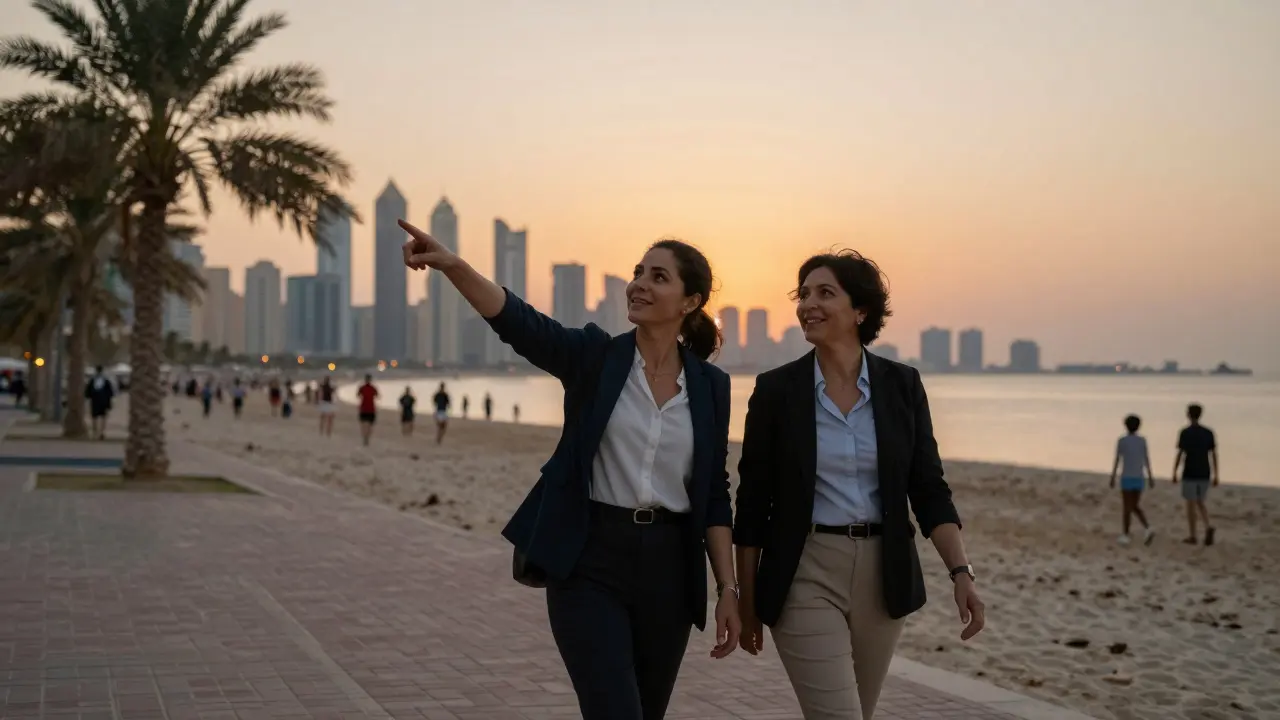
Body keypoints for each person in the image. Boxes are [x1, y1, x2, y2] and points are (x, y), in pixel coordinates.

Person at [401, 219, 739, 720]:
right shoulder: (595, 357)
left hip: (670, 568)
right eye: (638, 271)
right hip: (590, 561)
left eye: (659, 277)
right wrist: (452, 264)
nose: (640, 283)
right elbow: (518, 321)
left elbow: (713, 494)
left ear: (690, 302)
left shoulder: (711, 386)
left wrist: (726, 589)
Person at [734, 251, 985, 720]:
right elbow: (751, 507)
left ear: (861, 311)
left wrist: (961, 572)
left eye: (825, 293)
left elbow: (928, 488)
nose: (809, 303)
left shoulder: (901, 385)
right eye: (803, 293)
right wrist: (746, 601)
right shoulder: (775, 391)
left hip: (883, 573)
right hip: (802, 571)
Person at [1173, 403, 1218, 546]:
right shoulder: (1208, 432)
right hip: (1205, 471)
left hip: (1190, 471)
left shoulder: (1185, 432)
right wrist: (1216, 474)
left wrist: (1174, 471)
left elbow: (1180, 454)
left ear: (1188, 414)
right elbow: (1213, 454)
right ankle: (1207, 525)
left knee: (1190, 505)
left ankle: (1193, 535)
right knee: (1200, 501)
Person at [1109, 414, 1155, 546]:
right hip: (1139, 476)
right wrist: (1150, 476)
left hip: (1127, 477)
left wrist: (1113, 476)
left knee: (1127, 507)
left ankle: (1126, 534)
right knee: (1133, 505)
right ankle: (1147, 527)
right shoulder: (1142, 441)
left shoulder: (1122, 441)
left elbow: (1117, 459)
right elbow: (1146, 459)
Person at [84, 366, 115, 440]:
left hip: (102, 401)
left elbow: (110, 393)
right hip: (96, 401)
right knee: (97, 417)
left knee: (101, 417)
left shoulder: (105, 381)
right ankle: (96, 432)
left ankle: (101, 432)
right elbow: (88, 392)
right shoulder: (94, 381)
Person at [357, 374, 379, 446]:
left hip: (363, 408)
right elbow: (377, 396)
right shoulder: (373, 388)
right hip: (371, 408)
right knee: (369, 425)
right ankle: (367, 437)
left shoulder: (362, 388)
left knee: (364, 424)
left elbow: (358, 395)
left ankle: (365, 437)